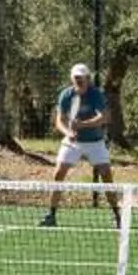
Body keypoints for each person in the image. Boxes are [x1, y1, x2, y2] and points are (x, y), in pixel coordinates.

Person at [40, 61, 114, 227]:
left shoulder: (96, 94)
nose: (79, 80)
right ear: (72, 79)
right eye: (76, 78)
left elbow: (105, 117)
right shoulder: (66, 95)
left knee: (107, 177)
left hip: (95, 141)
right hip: (72, 142)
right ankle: (51, 215)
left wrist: (83, 125)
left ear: (88, 78)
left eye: (82, 77)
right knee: (58, 174)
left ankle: (116, 214)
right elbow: (59, 121)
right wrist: (68, 133)